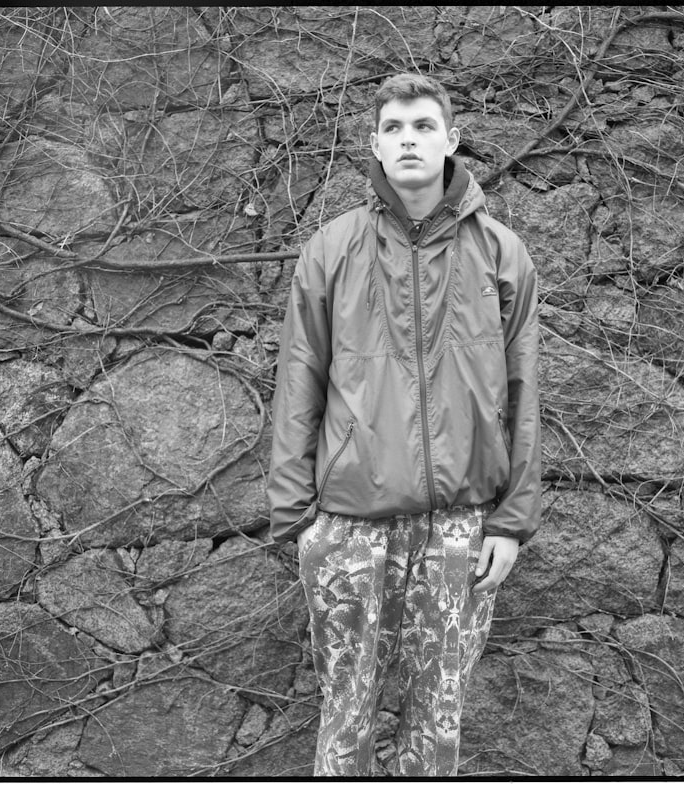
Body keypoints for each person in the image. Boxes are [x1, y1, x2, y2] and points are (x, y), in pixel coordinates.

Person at [267, 72, 541, 777]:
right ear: (375, 145)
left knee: (437, 725)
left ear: (451, 139)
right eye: (394, 128)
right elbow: (298, 382)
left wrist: (510, 523)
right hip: (349, 524)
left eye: (423, 126)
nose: (409, 139)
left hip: (462, 527)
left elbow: (524, 394)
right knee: (345, 717)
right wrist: (298, 519)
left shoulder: (502, 254)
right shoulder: (331, 251)